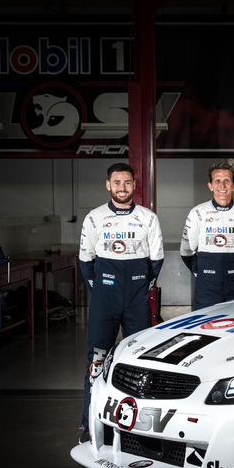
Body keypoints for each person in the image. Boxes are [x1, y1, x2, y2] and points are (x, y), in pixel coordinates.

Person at [77, 162, 164, 444]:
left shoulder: (148, 218)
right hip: (105, 300)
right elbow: (86, 262)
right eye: (117, 183)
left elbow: (156, 261)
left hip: (137, 299)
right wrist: (102, 290)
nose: (122, 188)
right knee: (97, 361)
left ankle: (138, 428)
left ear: (134, 185)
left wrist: (140, 286)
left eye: (127, 182)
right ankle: (90, 424)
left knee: (139, 358)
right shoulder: (94, 218)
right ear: (108, 185)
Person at [180, 161, 234, 310]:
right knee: (203, 327)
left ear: (233, 185)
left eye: (227, 181)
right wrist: (200, 272)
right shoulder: (198, 212)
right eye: (217, 181)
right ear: (210, 185)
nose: (222, 185)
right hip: (207, 288)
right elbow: (186, 250)